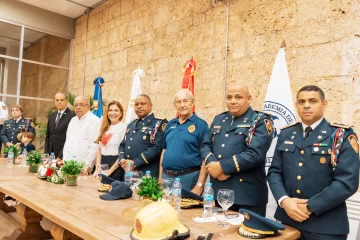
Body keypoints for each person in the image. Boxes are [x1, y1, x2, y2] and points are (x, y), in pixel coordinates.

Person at [267, 85, 359, 240]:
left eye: (312, 101)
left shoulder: (340, 135)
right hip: (288, 221)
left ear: (325, 104)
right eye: (301, 101)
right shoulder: (287, 133)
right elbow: (275, 172)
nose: (306, 105)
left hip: (326, 226)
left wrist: (310, 206)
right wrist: (284, 201)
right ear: (297, 105)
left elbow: (347, 182)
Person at [201, 84, 274, 216]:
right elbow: (205, 145)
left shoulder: (260, 120)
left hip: (247, 196)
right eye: (229, 97)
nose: (233, 101)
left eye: (238, 97)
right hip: (220, 192)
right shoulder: (219, 119)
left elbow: (255, 154)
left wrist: (221, 166)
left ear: (249, 99)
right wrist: (214, 167)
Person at [160, 89, 208, 194]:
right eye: (178, 102)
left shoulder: (201, 125)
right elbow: (164, 151)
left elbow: (206, 156)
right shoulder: (170, 124)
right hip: (166, 178)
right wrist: (160, 179)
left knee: (187, 210)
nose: (182, 105)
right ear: (175, 105)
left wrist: (199, 185)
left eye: (185, 101)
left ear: (192, 103)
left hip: (188, 178)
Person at [106, 95, 167, 179]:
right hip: (128, 174)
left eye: (143, 104)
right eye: (136, 104)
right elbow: (122, 145)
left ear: (150, 106)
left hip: (146, 175)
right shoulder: (131, 125)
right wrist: (122, 160)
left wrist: (135, 163)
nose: (139, 107)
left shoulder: (158, 124)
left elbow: (156, 149)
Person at [62, 96, 100, 175]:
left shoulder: (94, 120)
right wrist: (64, 161)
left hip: (83, 168)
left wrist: (88, 165)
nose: (78, 107)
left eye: (81, 105)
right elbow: (67, 142)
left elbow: (94, 145)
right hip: (69, 166)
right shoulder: (73, 120)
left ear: (88, 107)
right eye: (76, 105)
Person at [92, 101, 126, 180]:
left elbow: (123, 153)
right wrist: (97, 168)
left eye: (116, 110)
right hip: (103, 166)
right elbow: (99, 149)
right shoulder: (103, 127)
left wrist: (108, 173)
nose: (113, 113)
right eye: (110, 110)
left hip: (116, 167)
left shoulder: (124, 128)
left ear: (121, 113)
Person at [45, 92, 75, 161]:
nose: (59, 102)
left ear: (66, 101)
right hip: (50, 154)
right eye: (57, 100)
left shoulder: (72, 116)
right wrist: (46, 153)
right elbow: (48, 135)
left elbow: (70, 139)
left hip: (63, 154)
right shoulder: (52, 115)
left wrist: (61, 156)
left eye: (61, 100)